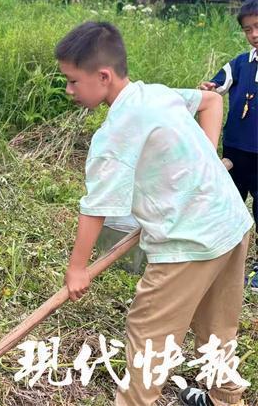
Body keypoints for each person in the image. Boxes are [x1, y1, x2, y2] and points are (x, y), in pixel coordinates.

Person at [55, 21, 252, 406]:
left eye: (73, 81)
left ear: (103, 76)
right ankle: (227, 398)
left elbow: (94, 209)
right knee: (217, 330)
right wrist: (207, 159)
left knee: (149, 335)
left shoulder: (115, 133)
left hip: (190, 241)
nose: (68, 90)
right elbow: (210, 102)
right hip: (231, 221)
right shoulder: (156, 94)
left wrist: (77, 269)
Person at [199, 0, 258, 292]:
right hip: (235, 150)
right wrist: (209, 87)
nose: (254, 35)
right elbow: (217, 85)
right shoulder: (239, 63)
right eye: (248, 29)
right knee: (227, 202)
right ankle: (221, 257)